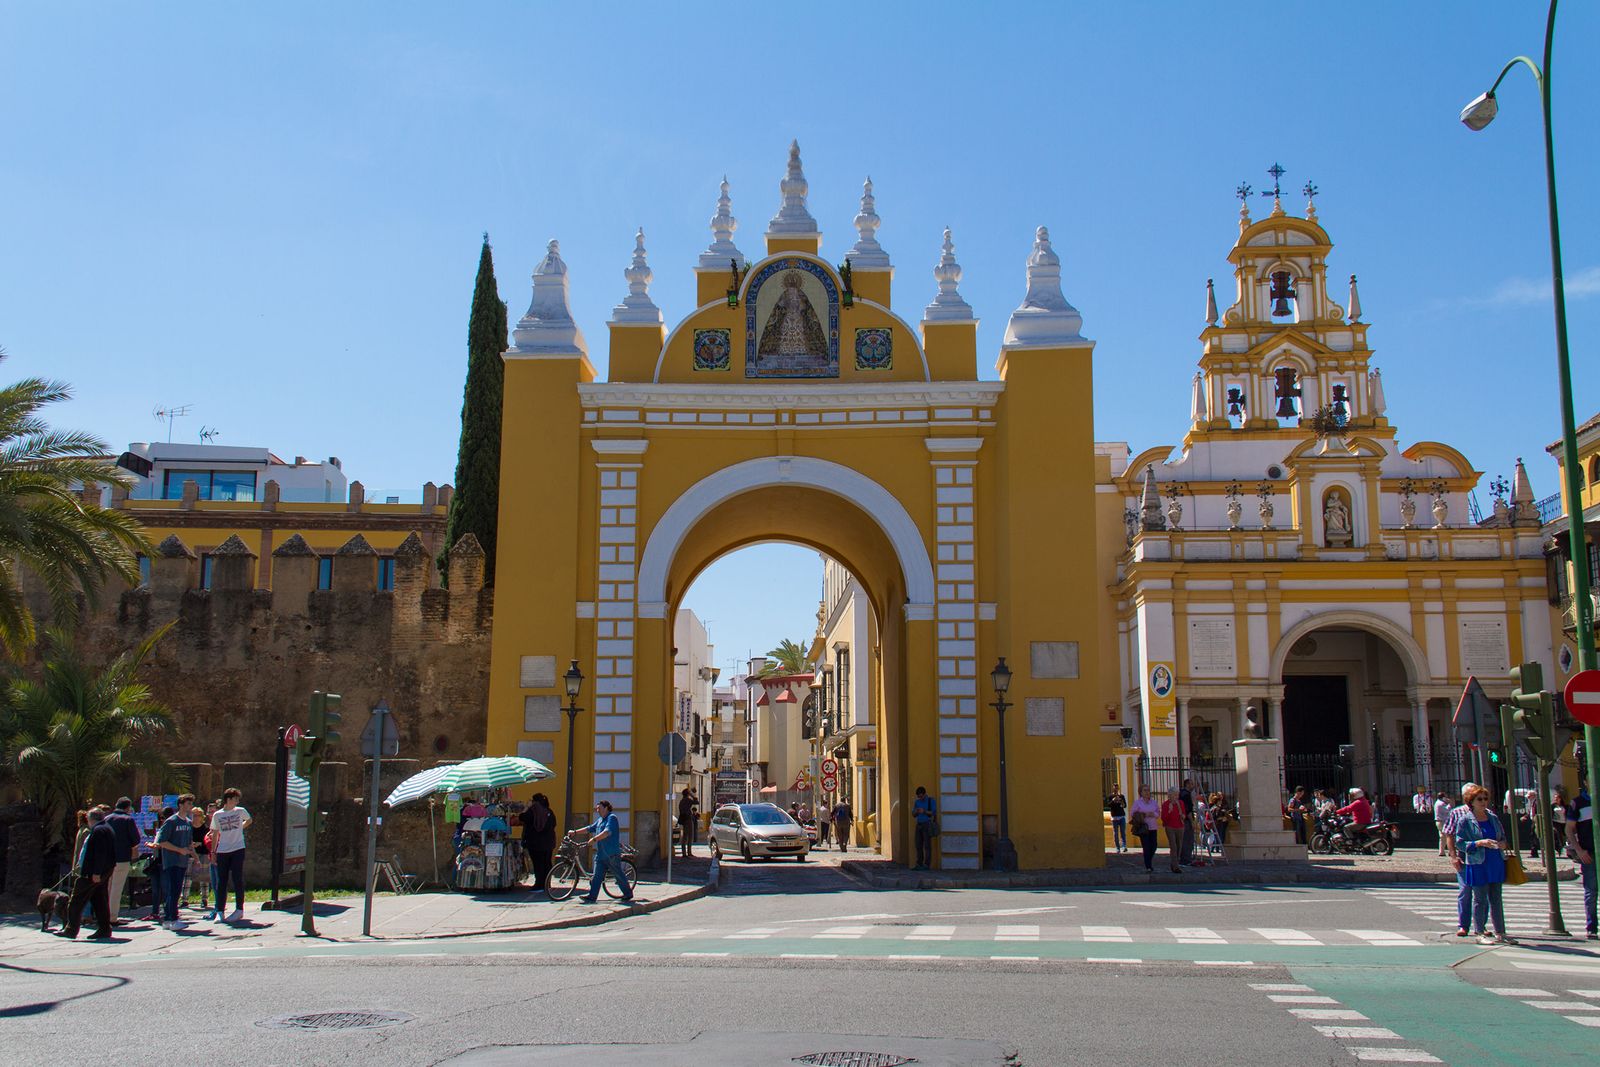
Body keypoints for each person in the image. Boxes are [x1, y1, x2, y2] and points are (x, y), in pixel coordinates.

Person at [1455, 784, 1515, 946]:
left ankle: (1500, 932)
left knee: (1496, 899)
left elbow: (1503, 838)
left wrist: (1502, 844)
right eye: (1479, 799)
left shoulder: (1493, 818)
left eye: (1485, 799)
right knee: (1480, 899)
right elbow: (1460, 843)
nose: (1483, 802)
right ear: (1471, 802)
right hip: (1477, 863)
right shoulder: (1465, 820)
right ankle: (1479, 932)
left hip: (1495, 861)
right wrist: (1479, 843)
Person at [58, 809, 116, 940]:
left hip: (92, 872)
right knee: (99, 900)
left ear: (91, 819)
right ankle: (104, 929)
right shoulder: (107, 828)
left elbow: (100, 853)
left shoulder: (98, 831)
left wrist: (96, 872)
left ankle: (71, 929)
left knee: (76, 900)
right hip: (105, 870)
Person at [154, 794, 198, 930]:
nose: (191, 806)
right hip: (172, 861)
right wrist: (179, 850)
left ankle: (168, 919)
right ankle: (173, 919)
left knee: (176, 890)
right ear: (180, 805)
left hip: (183, 861)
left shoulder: (188, 823)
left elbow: (189, 843)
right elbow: (161, 841)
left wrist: (195, 857)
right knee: (173, 890)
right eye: (188, 803)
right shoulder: (171, 821)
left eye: (191, 804)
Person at [210, 787, 252, 923]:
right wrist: (213, 851)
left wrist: (240, 827)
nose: (237, 802)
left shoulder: (240, 811)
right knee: (221, 881)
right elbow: (215, 833)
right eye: (235, 799)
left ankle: (239, 909)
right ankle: (220, 911)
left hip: (238, 848)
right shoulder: (217, 815)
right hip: (223, 850)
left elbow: (249, 820)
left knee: (237, 878)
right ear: (228, 800)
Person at [1442, 783, 1479, 937]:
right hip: (1464, 857)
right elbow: (1449, 834)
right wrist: (1453, 856)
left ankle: (1480, 926)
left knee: (1481, 893)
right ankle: (1463, 925)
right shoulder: (1456, 812)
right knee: (1465, 891)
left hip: (1481, 857)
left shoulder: (1485, 812)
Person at [577, 800, 632, 904]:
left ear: (606, 808)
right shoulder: (600, 820)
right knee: (596, 876)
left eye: (599, 808)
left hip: (611, 854)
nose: (597, 810)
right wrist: (575, 832)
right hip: (601, 854)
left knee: (618, 874)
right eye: (597, 808)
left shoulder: (612, 818)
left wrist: (594, 839)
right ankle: (592, 897)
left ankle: (628, 893)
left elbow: (607, 832)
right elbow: (589, 828)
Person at [1566, 783, 1597, 941]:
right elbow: (1569, 829)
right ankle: (1592, 927)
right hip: (1589, 853)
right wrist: (1578, 850)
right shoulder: (1578, 802)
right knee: (1591, 891)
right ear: (1585, 781)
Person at [103, 798, 141, 925]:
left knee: (107, 888)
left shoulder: (106, 819)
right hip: (122, 858)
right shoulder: (128, 820)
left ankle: (102, 915)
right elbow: (136, 840)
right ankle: (112, 917)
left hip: (107, 859)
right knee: (116, 889)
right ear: (128, 808)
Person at [521, 793, 556, 891]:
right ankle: (547, 883)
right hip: (549, 842)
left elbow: (522, 817)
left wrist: (526, 807)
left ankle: (539, 884)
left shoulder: (532, 811)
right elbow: (554, 824)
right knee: (547, 863)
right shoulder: (549, 811)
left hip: (535, 843)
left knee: (538, 864)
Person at [1129, 785, 1161, 872]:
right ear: (1141, 792)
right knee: (1146, 847)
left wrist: (1153, 814)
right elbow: (1132, 814)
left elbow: (1158, 813)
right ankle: (1148, 866)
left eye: (1148, 790)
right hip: (1143, 828)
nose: (1147, 792)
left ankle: (1148, 860)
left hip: (1153, 827)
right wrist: (1144, 815)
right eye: (1145, 790)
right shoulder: (1137, 803)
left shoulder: (1153, 802)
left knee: (1154, 846)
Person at [186, 807, 211, 912]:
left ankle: (204, 899)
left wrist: (200, 844)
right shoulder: (188, 828)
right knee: (187, 877)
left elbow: (208, 842)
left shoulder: (206, 828)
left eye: (198, 815)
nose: (195, 818)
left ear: (202, 817)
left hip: (203, 853)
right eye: (193, 815)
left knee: (204, 877)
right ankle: (184, 899)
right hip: (190, 854)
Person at [1160, 787, 1185, 874]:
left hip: (1180, 826)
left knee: (1179, 846)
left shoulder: (1180, 803)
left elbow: (1183, 816)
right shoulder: (1165, 804)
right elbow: (1164, 818)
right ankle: (1175, 866)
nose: (1176, 797)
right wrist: (1169, 811)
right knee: (1173, 846)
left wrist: (1180, 810)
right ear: (1169, 795)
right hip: (1170, 827)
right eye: (1174, 795)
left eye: (1177, 795)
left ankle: (1175, 862)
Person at [912, 786, 938, 870]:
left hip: (927, 824)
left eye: (921, 796)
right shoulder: (917, 802)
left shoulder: (931, 801)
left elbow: (933, 812)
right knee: (918, 845)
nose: (920, 798)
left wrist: (924, 811)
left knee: (927, 845)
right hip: (919, 824)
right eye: (918, 797)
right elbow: (913, 814)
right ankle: (919, 863)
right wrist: (916, 811)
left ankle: (927, 864)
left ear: (924, 794)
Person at [677, 787, 699, 859]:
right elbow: (696, 802)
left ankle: (684, 853)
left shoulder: (681, 801)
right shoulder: (687, 800)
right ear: (687, 794)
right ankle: (689, 852)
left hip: (684, 820)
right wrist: (692, 795)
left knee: (685, 836)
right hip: (688, 819)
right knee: (690, 836)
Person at [1179, 778, 1197, 865]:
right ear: (1187, 785)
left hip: (1181, 820)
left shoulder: (1181, 793)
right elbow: (1188, 810)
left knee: (1184, 840)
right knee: (1188, 840)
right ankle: (1186, 859)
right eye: (1191, 784)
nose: (1193, 786)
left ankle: (1183, 858)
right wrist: (1192, 821)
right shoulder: (1186, 795)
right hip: (1186, 820)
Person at [1433, 792, 1453, 857]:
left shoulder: (1437, 802)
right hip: (1442, 821)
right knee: (1447, 836)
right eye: (1445, 797)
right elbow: (1448, 810)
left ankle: (1442, 851)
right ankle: (1450, 851)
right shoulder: (1441, 804)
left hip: (1439, 821)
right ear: (1443, 797)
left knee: (1442, 837)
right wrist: (1449, 803)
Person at [1107, 790, 1128, 854]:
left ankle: (1124, 846)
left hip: (1121, 816)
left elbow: (1124, 805)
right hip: (1114, 817)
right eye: (1115, 788)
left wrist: (1121, 801)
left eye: (1117, 788)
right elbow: (1108, 805)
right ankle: (1117, 848)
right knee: (1115, 833)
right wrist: (1113, 800)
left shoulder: (1121, 796)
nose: (1116, 790)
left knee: (1123, 832)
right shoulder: (1110, 796)